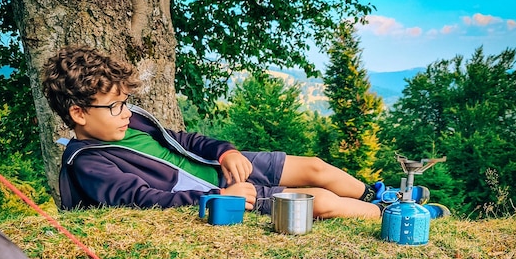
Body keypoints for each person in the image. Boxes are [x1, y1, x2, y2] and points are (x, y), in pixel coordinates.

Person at [43, 45, 449, 219]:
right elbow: (141, 200)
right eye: (113, 106)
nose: (124, 113)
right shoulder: (90, 163)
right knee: (321, 201)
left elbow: (185, 141)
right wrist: (219, 196)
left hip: (227, 170)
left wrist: (225, 151)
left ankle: (381, 193)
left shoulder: (133, 123)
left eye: (125, 102)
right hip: (226, 194)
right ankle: (393, 213)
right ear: (79, 113)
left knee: (317, 168)